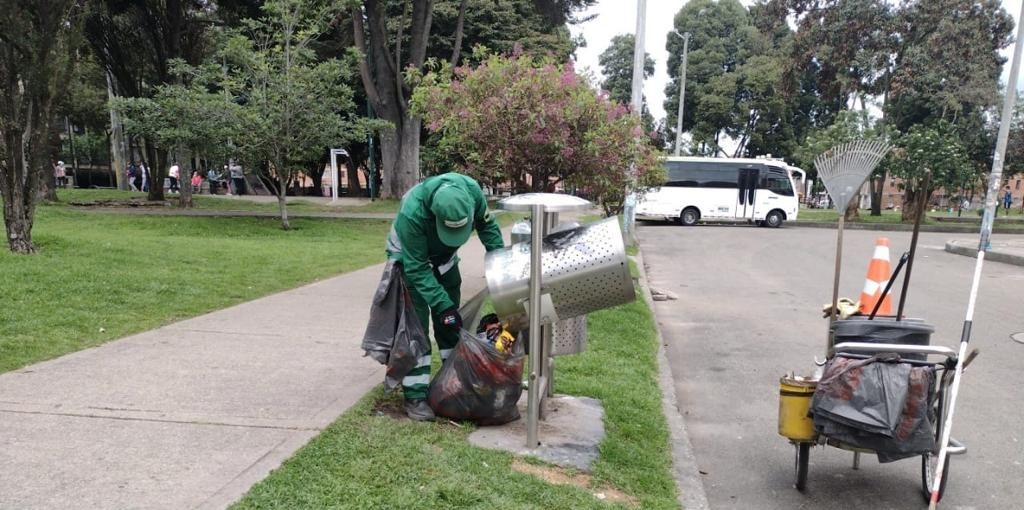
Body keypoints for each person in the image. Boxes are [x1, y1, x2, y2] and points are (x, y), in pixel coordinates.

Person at [385, 172, 505, 421]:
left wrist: (502, 267)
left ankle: (456, 382)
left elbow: (489, 228)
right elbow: (417, 268)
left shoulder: (473, 193)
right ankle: (415, 395)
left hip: (445, 259)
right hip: (410, 261)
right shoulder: (413, 212)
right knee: (415, 327)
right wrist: (442, 306)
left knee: (451, 323)